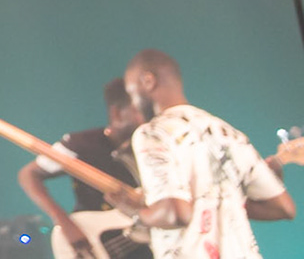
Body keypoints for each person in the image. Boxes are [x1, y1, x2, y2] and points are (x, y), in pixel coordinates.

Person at [120, 48, 295, 258]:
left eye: (132, 93)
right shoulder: (229, 133)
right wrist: (225, 202)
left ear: (148, 81)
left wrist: (137, 214)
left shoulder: (153, 133)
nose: (134, 103)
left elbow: (175, 213)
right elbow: (283, 208)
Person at [15, 79, 144, 257]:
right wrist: (63, 222)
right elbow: (28, 174)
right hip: (89, 244)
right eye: (140, 109)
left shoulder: (154, 146)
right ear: (117, 113)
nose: (149, 115)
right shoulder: (81, 145)